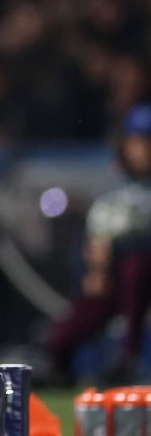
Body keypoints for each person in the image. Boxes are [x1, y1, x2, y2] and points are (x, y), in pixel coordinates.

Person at [43, 104, 151, 385]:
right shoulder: (115, 184)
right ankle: (57, 359)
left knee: (135, 269)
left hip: (140, 271)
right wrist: (97, 267)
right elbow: (99, 229)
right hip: (112, 273)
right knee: (90, 306)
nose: (142, 150)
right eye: (138, 142)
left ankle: (128, 356)